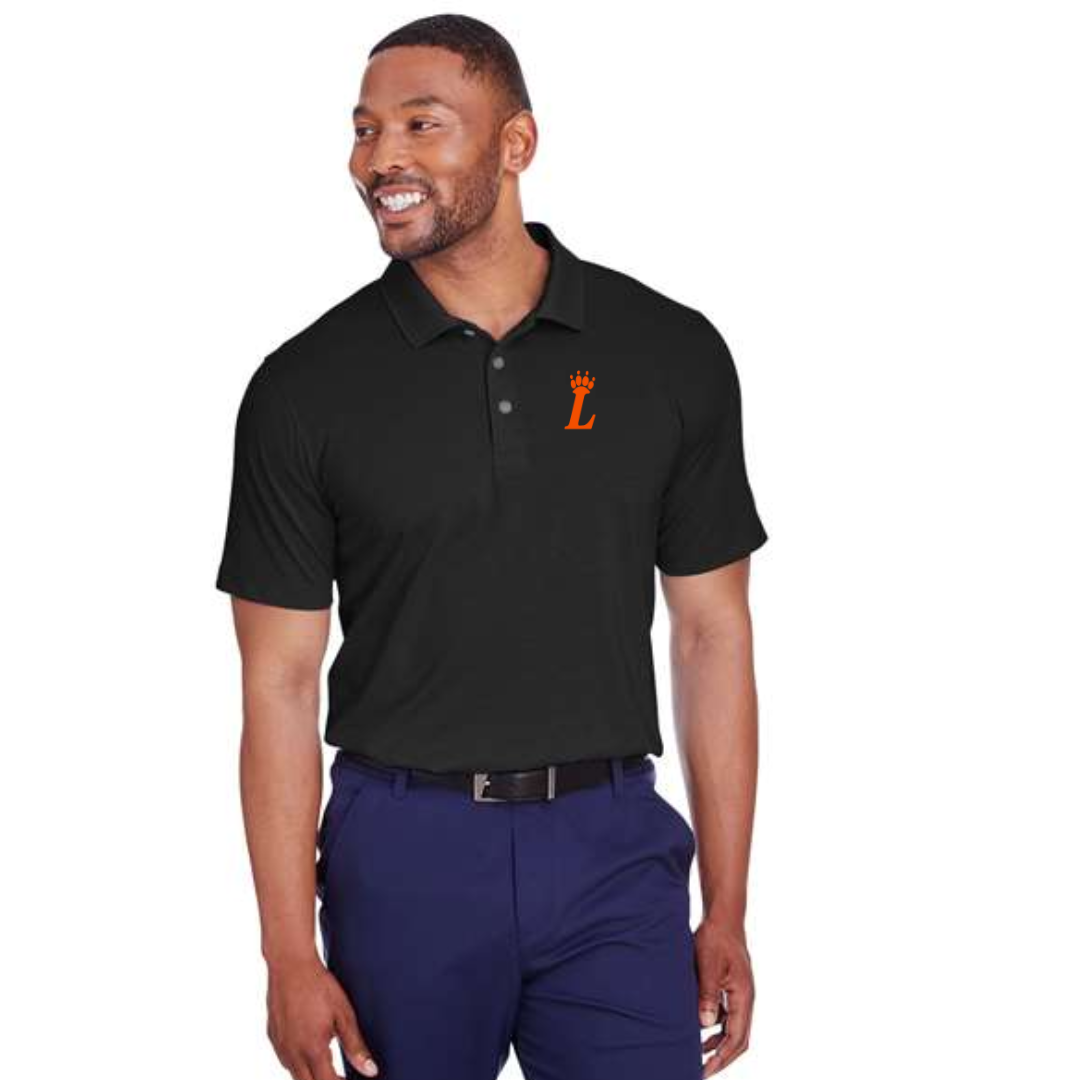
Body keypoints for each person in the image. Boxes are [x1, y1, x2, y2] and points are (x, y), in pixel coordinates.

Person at [215, 14, 768, 1080]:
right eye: (365, 130)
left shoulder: (669, 353)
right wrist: (287, 953)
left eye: (421, 125)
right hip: (402, 854)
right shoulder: (303, 388)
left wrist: (729, 906)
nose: (381, 158)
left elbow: (712, 634)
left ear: (517, 144)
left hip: (615, 851)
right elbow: (276, 683)